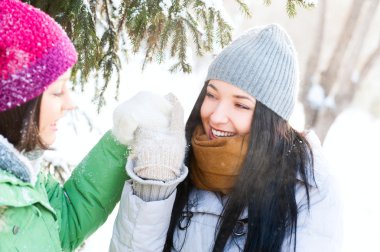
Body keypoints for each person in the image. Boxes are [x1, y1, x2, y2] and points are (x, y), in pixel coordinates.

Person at [110, 24, 343, 252]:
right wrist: (156, 184)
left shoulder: (309, 188)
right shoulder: (178, 160)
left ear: (272, 118)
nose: (216, 116)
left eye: (241, 105)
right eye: (211, 95)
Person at [0, 0, 178, 251]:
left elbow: (65, 221)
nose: (70, 102)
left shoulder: (22, 173)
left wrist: (120, 140)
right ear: (16, 103)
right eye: (57, 91)